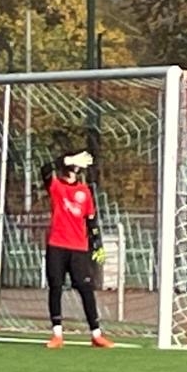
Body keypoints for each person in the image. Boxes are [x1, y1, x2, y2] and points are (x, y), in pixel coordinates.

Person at [40, 149, 112, 349]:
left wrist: (97, 243)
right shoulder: (55, 186)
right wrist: (65, 159)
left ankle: (96, 334)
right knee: (56, 286)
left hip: (78, 247)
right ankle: (57, 334)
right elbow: (45, 170)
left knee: (85, 288)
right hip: (57, 245)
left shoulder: (84, 191)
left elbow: (91, 219)